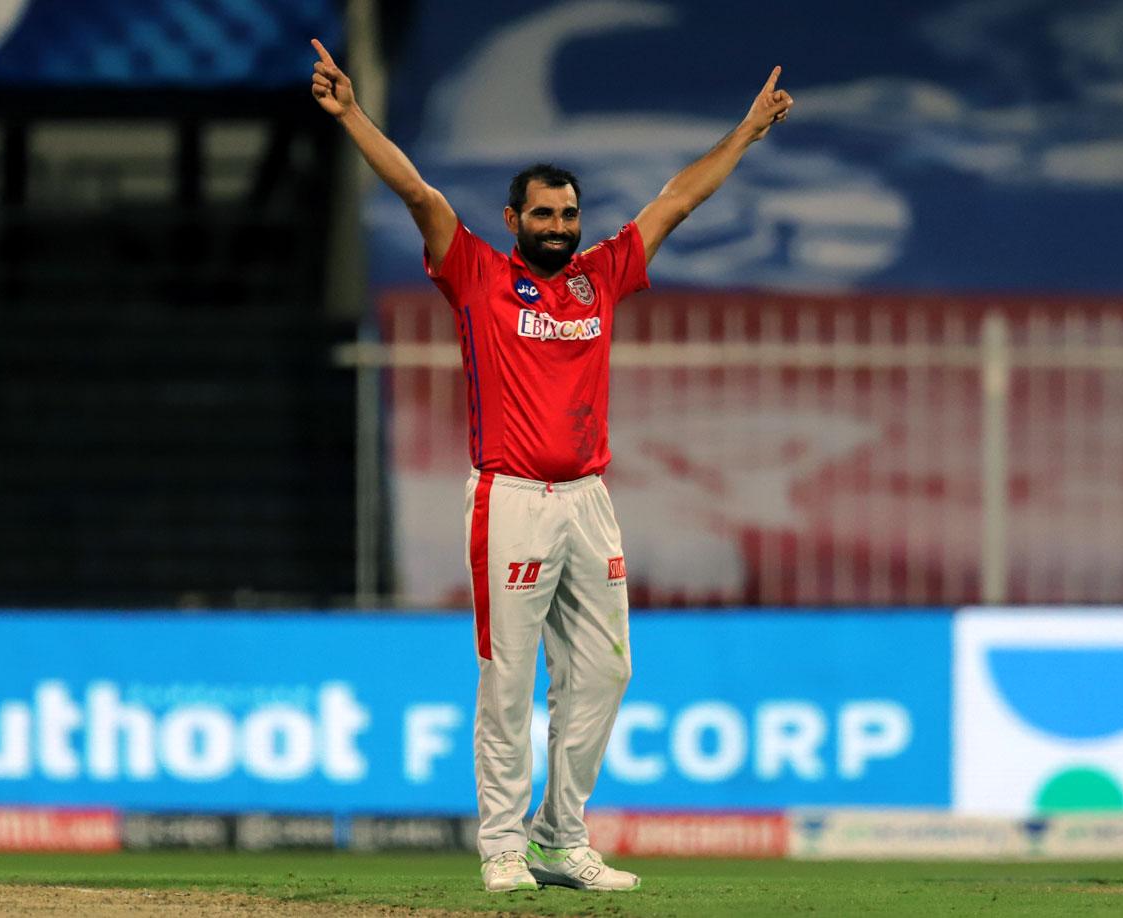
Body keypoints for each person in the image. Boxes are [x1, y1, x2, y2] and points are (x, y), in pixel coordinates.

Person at [310, 37, 792, 893]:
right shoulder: (477, 276)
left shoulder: (599, 277)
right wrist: (352, 116)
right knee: (508, 678)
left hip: (588, 499)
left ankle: (560, 838)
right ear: (514, 220)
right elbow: (418, 191)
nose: (561, 229)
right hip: (512, 498)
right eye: (545, 216)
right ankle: (500, 845)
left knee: (606, 670)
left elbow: (676, 198)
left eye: (569, 215)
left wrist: (746, 133)